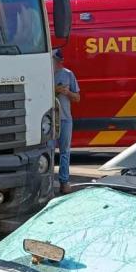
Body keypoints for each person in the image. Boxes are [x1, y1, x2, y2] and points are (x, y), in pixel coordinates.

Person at [52, 48, 80, 195]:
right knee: (48, 152)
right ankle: (47, 183)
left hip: (65, 119)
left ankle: (64, 182)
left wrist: (67, 92)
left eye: (56, 61)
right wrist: (55, 90)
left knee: (64, 152)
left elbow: (77, 98)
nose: (54, 63)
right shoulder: (45, 74)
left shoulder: (68, 75)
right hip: (49, 120)